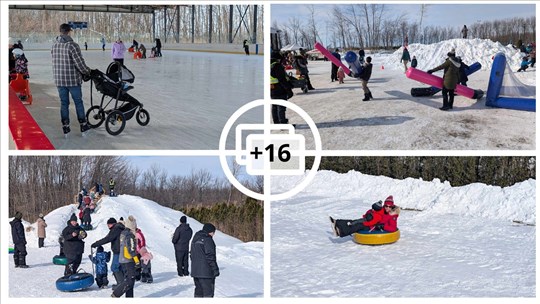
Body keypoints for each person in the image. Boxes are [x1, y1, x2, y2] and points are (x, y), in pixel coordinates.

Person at [52, 23, 93, 137]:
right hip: (72, 80)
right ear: (69, 32)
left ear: (60, 32)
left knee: (64, 103)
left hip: (59, 80)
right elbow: (79, 64)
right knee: (78, 102)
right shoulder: (72, 45)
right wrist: (88, 71)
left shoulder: (54, 45)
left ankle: (66, 127)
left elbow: (55, 62)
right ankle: (83, 126)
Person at [92, 217, 125, 287]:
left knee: (114, 267)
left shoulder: (116, 229)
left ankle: (121, 284)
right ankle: (122, 283)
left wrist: (96, 243)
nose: (108, 227)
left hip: (118, 251)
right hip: (121, 251)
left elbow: (108, 239)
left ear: (112, 224)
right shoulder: (118, 228)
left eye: (108, 225)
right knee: (119, 267)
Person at [111, 216, 139, 298]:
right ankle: (116, 294)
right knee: (130, 280)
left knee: (130, 280)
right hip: (128, 260)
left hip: (122, 259)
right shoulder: (130, 235)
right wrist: (136, 260)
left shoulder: (123, 233)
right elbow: (131, 249)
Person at [190, 223, 220, 298]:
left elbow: (191, 255)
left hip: (195, 271)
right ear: (210, 231)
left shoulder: (195, 238)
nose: (213, 234)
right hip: (206, 273)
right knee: (208, 294)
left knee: (198, 293)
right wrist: (215, 269)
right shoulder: (208, 239)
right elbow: (210, 256)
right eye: (213, 232)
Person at [270, 51, 293, 124]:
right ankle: (282, 123)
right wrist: (288, 89)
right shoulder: (277, 66)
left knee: (274, 106)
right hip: (279, 88)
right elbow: (282, 79)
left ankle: (276, 122)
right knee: (281, 106)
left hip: (271, 88)